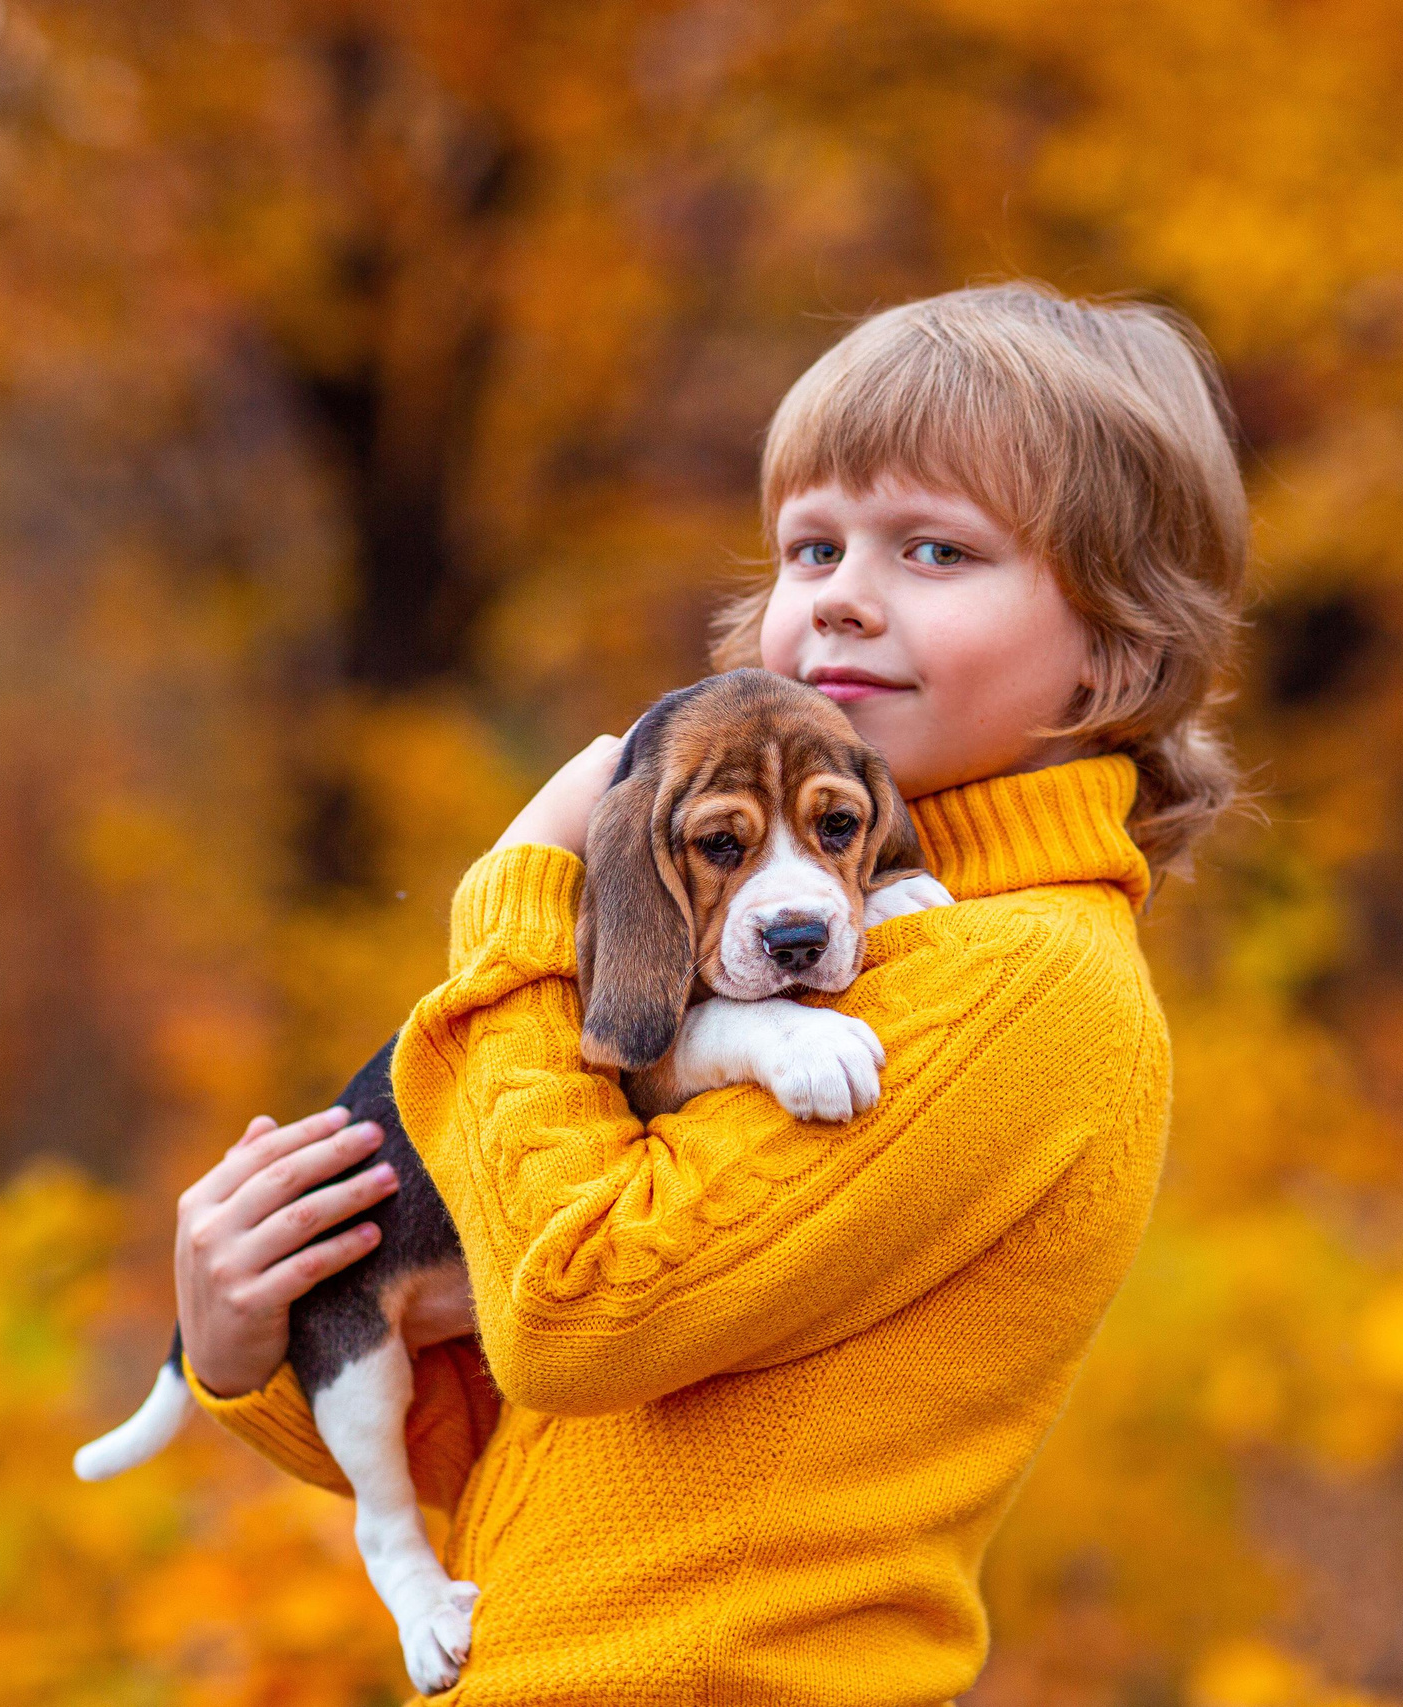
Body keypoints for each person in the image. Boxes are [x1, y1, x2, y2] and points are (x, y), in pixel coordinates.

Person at [167, 281, 1248, 1704]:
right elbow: (517, 1418)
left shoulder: (1012, 979)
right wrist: (246, 1344)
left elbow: (578, 1315)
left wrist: (519, 889)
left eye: (934, 549)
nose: (845, 593)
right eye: (814, 545)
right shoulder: (799, 941)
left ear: (1119, 651)